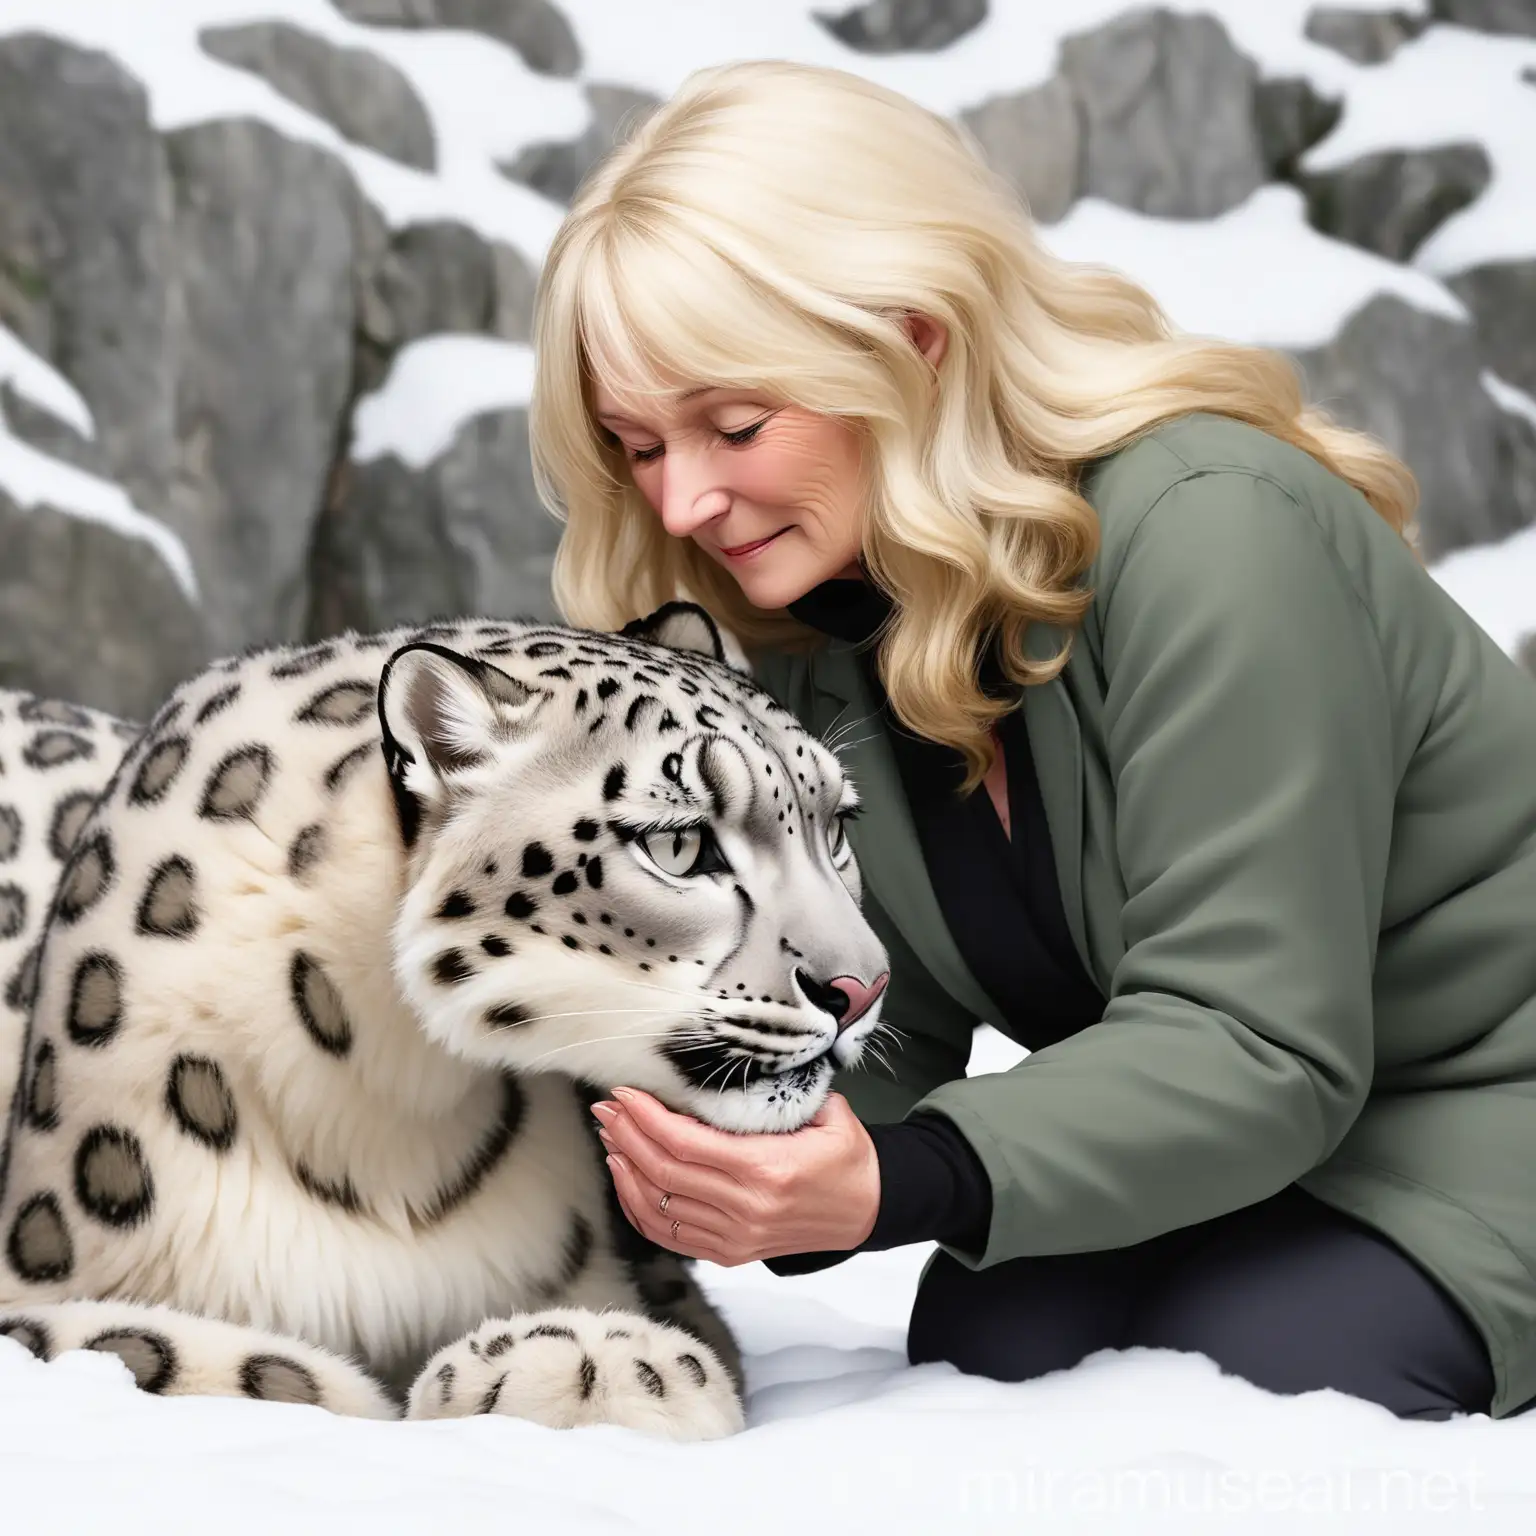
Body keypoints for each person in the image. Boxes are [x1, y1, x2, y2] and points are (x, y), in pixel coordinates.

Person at [524, 58, 1536, 1421]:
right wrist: (649, 1146)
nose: (685, 498)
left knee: (1237, 1390)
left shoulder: (1215, 535)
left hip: (1480, 1127)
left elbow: (1257, 1042)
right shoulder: (829, 626)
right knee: (988, 1341)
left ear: (915, 341)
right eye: (638, 447)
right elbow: (877, 1015)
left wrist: (899, 1181)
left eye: (734, 424)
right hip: (1228, 1157)